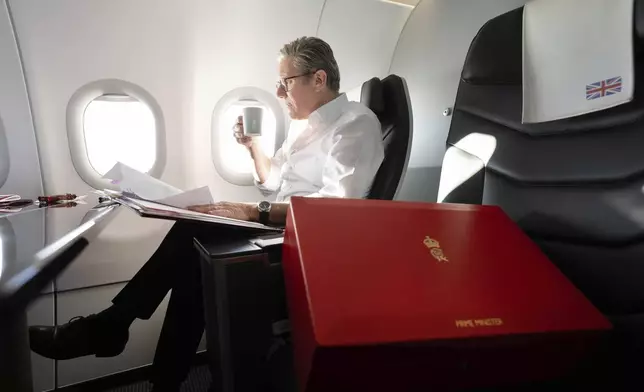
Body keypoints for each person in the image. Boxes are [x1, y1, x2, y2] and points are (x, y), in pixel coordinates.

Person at [29, 36, 385, 391]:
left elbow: (335, 207)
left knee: (191, 237)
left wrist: (251, 211)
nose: (278, 93)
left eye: (285, 82)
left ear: (318, 79)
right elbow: (274, 180)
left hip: (309, 244)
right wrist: (253, 148)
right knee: (194, 254)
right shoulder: (301, 126)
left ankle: (113, 329)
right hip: (282, 228)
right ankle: (154, 372)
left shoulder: (356, 123)